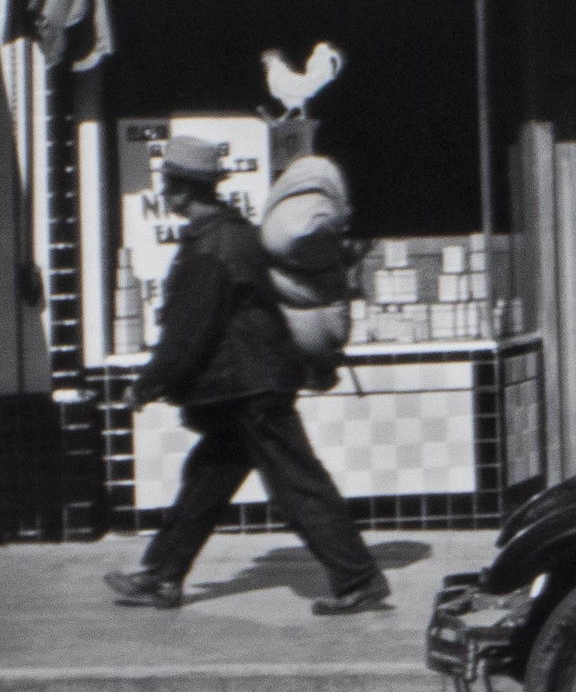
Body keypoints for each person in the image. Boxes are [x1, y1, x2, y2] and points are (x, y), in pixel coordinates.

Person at [104, 135, 388, 614]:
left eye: (167, 185)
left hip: (249, 386)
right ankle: (162, 576)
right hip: (246, 384)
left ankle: (357, 578)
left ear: (177, 190)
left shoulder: (212, 246)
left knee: (297, 483)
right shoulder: (233, 234)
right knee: (208, 477)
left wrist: (147, 384)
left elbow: (190, 330)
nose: (165, 194)